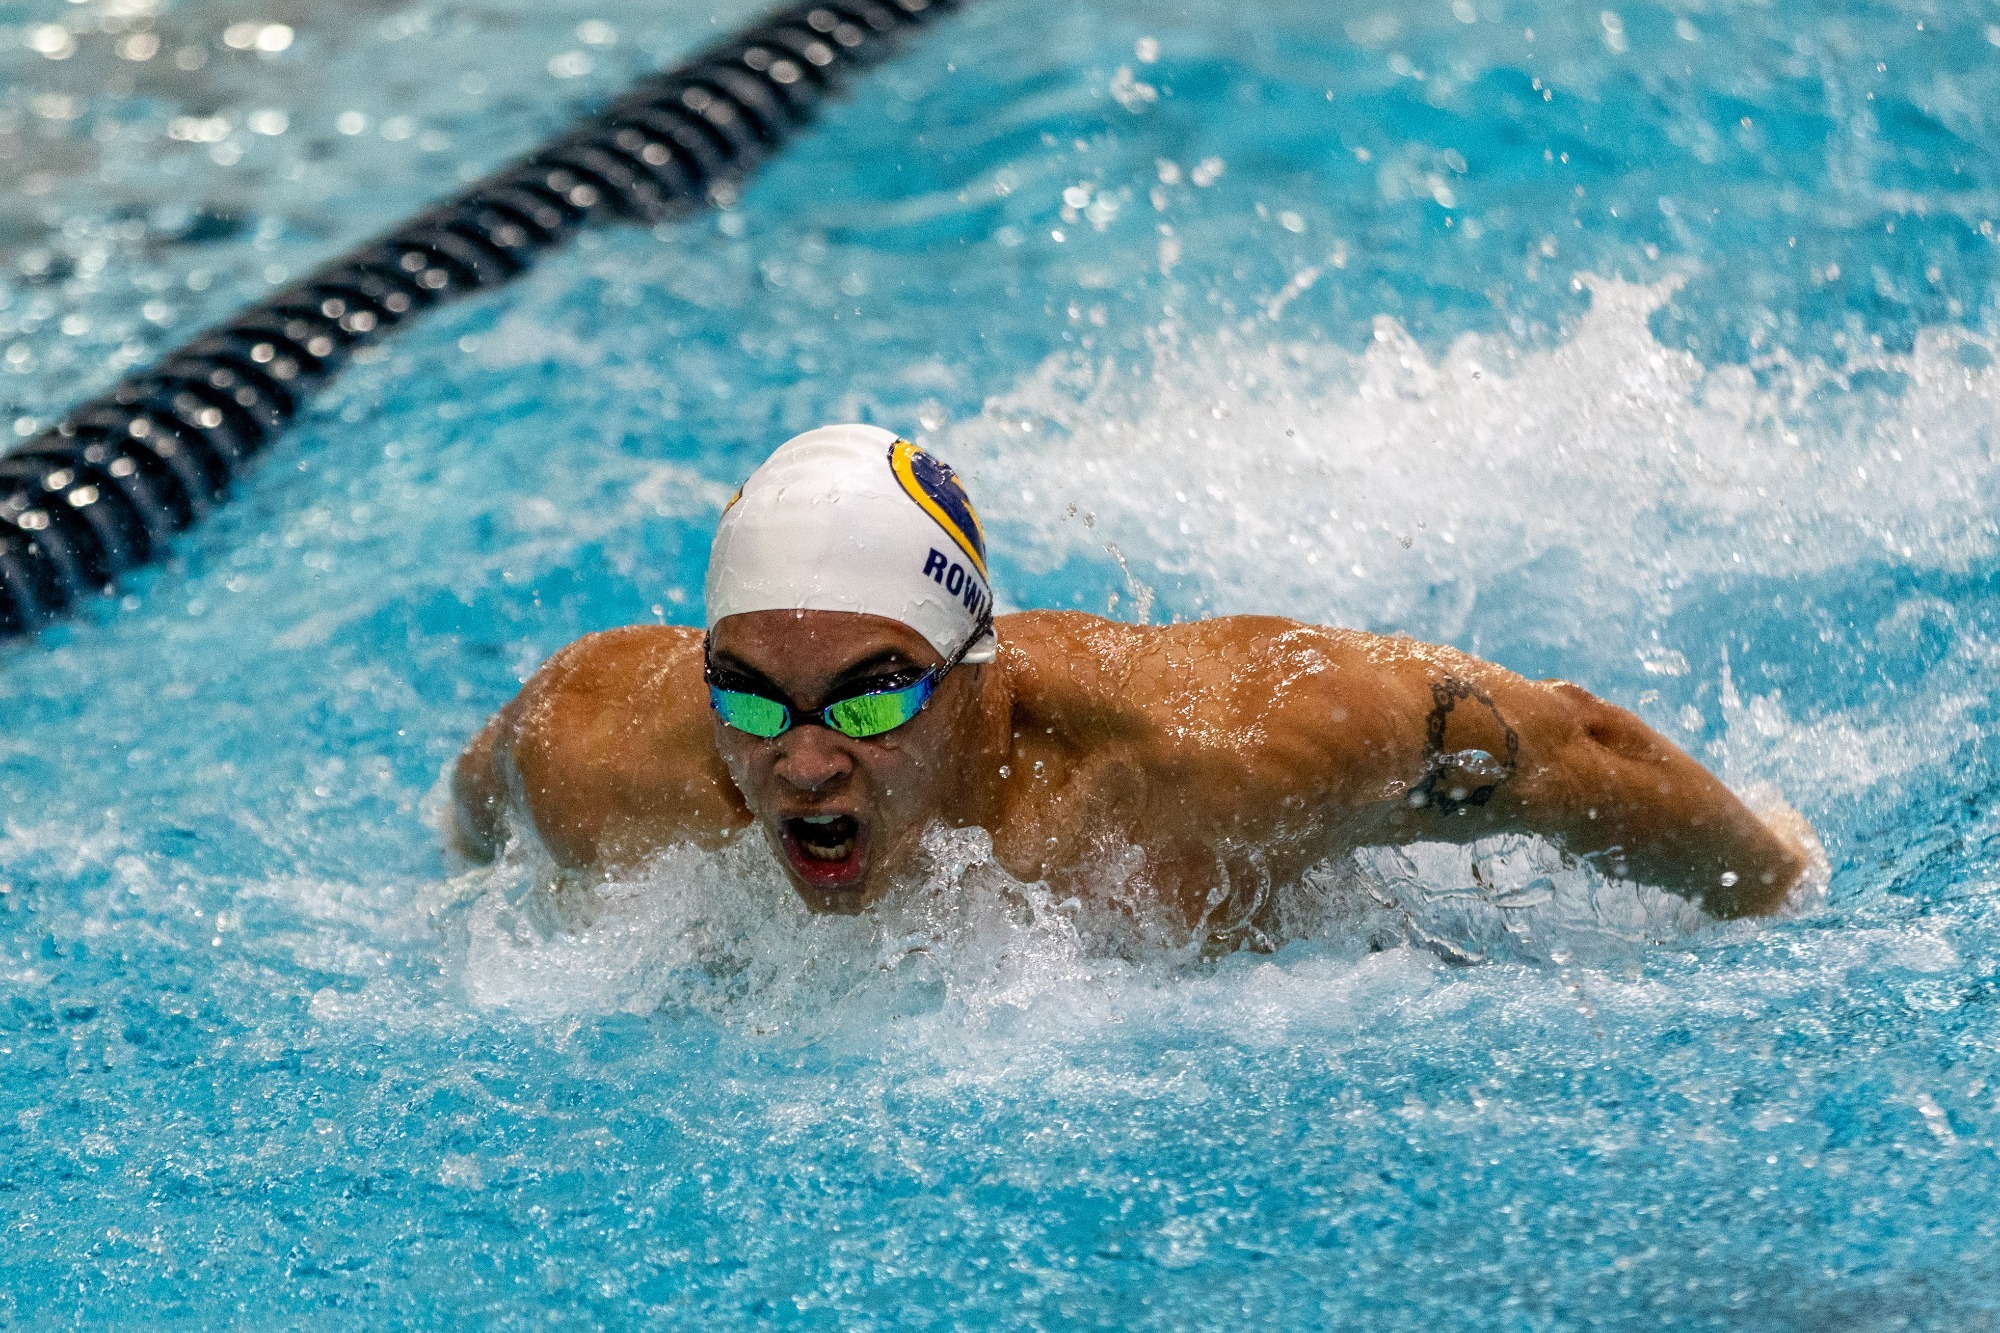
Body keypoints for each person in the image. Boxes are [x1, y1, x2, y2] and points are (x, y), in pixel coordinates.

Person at [449, 423, 1811, 936]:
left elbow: (1565, 744)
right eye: (750, 695)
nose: (802, 761)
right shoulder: (602, 752)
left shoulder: (1213, 747)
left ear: (976, 670)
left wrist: (1769, 889)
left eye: (870, 695)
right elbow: (478, 796)